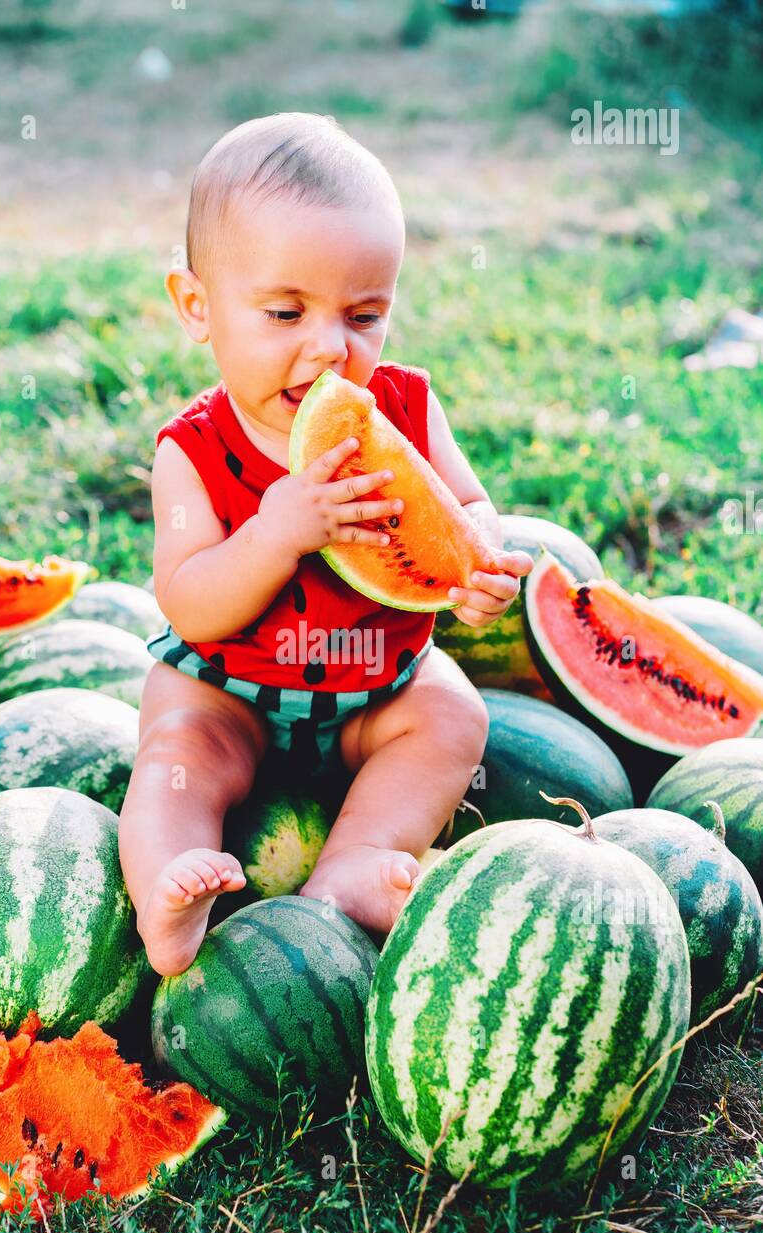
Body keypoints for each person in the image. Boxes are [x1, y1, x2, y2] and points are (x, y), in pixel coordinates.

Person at [118, 111, 532, 975]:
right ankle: (169, 893)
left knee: (452, 716)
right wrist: (277, 531)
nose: (329, 348)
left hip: (373, 692)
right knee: (174, 748)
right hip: (231, 690)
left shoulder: (405, 409)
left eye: (364, 315)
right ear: (198, 307)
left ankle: (350, 867)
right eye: (284, 312)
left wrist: (478, 560)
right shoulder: (191, 450)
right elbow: (189, 604)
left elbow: (466, 504)